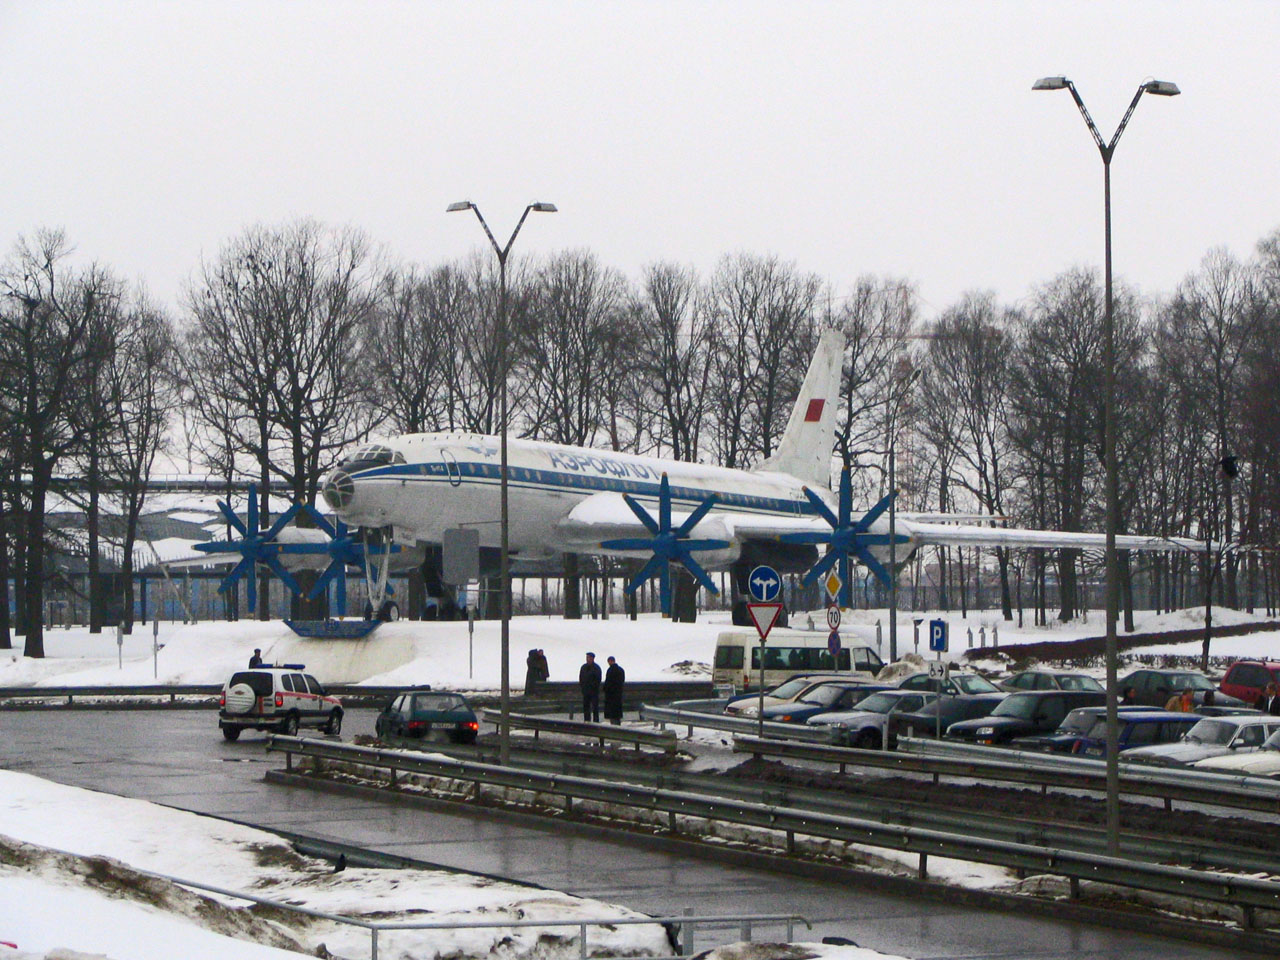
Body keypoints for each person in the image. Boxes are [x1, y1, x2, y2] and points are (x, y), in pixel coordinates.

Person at [579, 652, 602, 722]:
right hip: (585, 691)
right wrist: (583, 687)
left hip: (594, 692)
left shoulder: (596, 668)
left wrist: (592, 687)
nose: (587, 659)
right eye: (587, 657)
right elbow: (581, 678)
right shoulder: (583, 667)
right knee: (586, 707)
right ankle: (587, 721)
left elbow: (598, 680)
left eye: (588, 657)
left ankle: (596, 722)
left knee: (595, 708)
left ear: (592, 658)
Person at [602, 656, 626, 725]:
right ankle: (618, 723)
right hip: (618, 694)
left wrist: (605, 689)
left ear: (610, 661)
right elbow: (622, 681)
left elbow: (608, 682)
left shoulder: (610, 670)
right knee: (617, 712)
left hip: (610, 695)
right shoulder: (621, 670)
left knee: (612, 713)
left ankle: (613, 724)